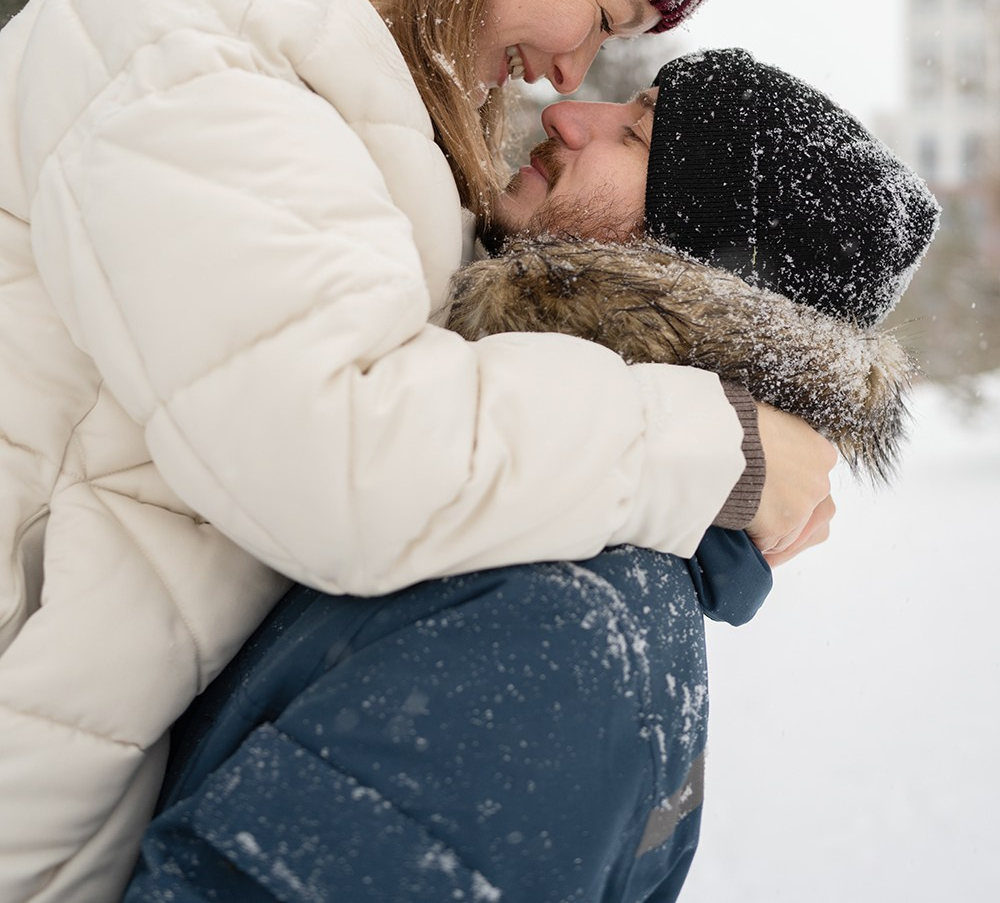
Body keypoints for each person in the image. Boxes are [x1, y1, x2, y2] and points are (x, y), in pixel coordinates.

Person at [0, 0, 835, 902]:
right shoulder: (208, 28)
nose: (570, 78)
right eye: (603, 17)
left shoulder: (355, 88)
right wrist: (720, 449)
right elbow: (338, 450)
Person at [124, 49, 938, 903]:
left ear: (693, 269)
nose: (565, 114)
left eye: (635, 136)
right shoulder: (509, 483)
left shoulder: (563, 619)